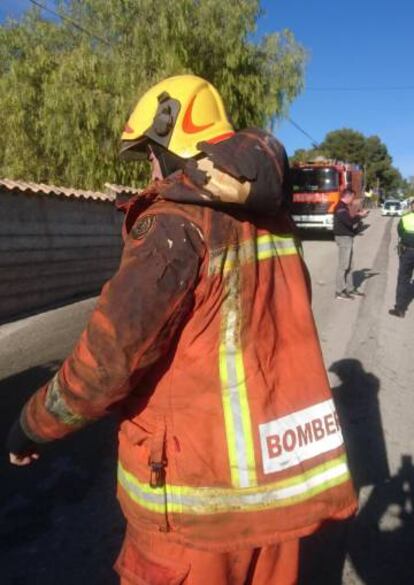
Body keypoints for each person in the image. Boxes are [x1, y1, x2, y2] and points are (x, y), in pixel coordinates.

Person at [7, 75, 356, 584]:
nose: (149, 167)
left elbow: (109, 358)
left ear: (173, 139)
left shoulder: (174, 223)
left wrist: (33, 424)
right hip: (276, 499)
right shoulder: (274, 218)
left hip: (196, 510)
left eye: (150, 151)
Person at [333, 189, 368, 300]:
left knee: (350, 266)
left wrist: (358, 215)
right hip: (343, 239)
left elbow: (349, 220)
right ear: (347, 196)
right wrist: (360, 216)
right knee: (343, 266)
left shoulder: (343, 207)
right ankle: (339, 291)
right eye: (352, 198)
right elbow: (349, 222)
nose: (353, 200)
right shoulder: (340, 208)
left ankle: (350, 288)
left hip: (347, 238)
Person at [389, 200, 414, 318]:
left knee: (403, 279)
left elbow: (400, 233)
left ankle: (400, 309)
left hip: (408, 252)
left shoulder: (405, 218)